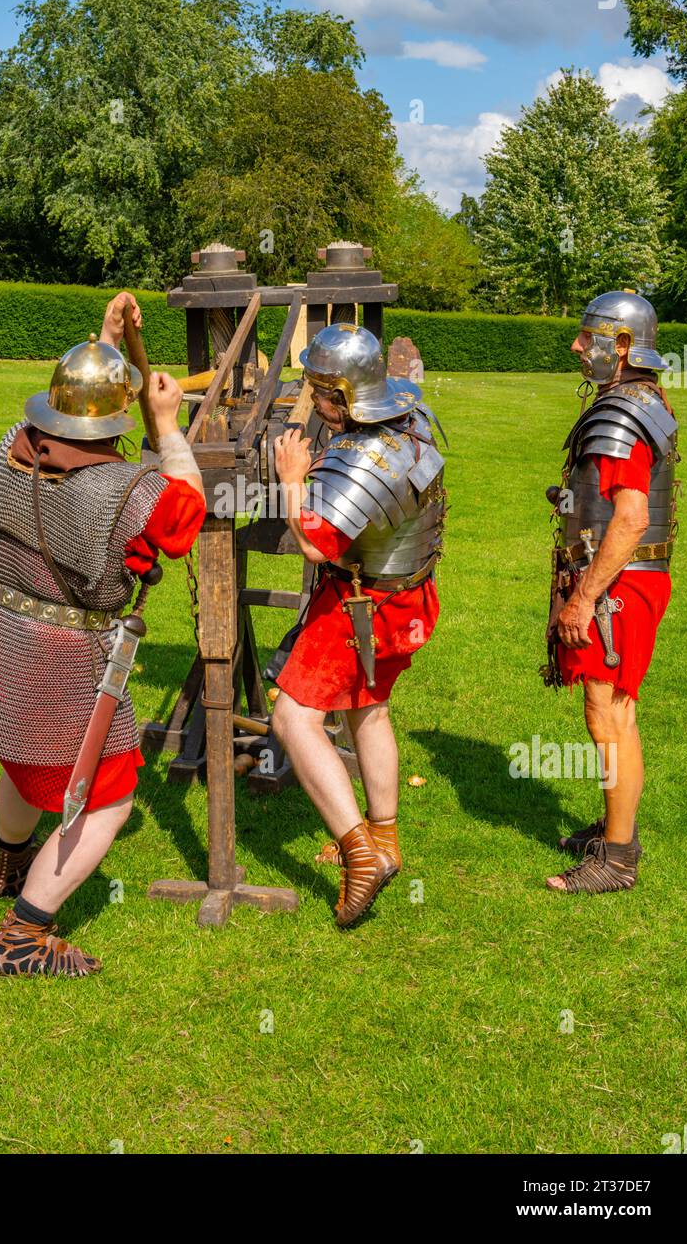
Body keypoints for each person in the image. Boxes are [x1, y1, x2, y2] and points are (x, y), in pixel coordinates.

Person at [0, 292, 205, 975]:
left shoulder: (14, 447)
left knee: (20, 750)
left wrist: (102, 348)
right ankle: (23, 935)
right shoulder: (129, 491)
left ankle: (13, 866)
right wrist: (169, 430)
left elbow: (75, 417)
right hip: (71, 654)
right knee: (108, 797)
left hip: (2, 626)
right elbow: (184, 517)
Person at [271, 323, 446, 928]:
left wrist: (293, 481)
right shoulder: (411, 416)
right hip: (409, 598)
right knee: (368, 708)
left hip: (359, 609)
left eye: (323, 394)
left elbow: (318, 545)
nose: (316, 405)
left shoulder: (365, 453)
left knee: (293, 719)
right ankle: (388, 838)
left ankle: (359, 852)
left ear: (347, 395)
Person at [543, 291, 678, 894]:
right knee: (613, 712)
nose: (577, 346)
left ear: (622, 346)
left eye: (587, 336)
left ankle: (617, 857)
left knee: (610, 713)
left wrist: (583, 597)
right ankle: (615, 825)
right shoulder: (642, 400)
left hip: (619, 585)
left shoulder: (624, 411)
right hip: (629, 579)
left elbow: (629, 518)